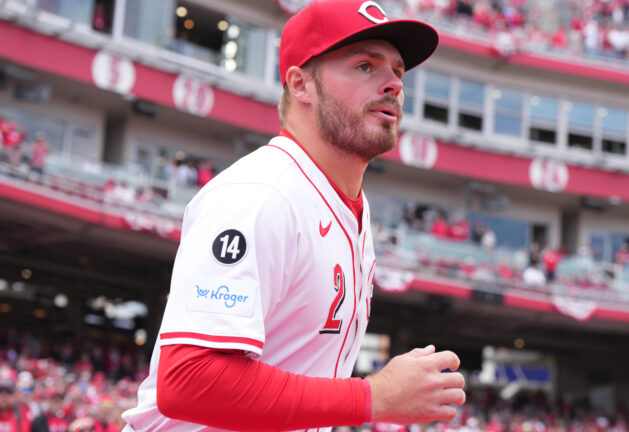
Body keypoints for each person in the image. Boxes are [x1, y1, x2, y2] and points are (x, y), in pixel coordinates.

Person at [121, 1, 463, 431]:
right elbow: (187, 381)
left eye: (397, 71)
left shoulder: (348, 203)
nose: (393, 83)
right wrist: (374, 397)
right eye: (364, 66)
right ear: (301, 84)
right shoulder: (261, 195)